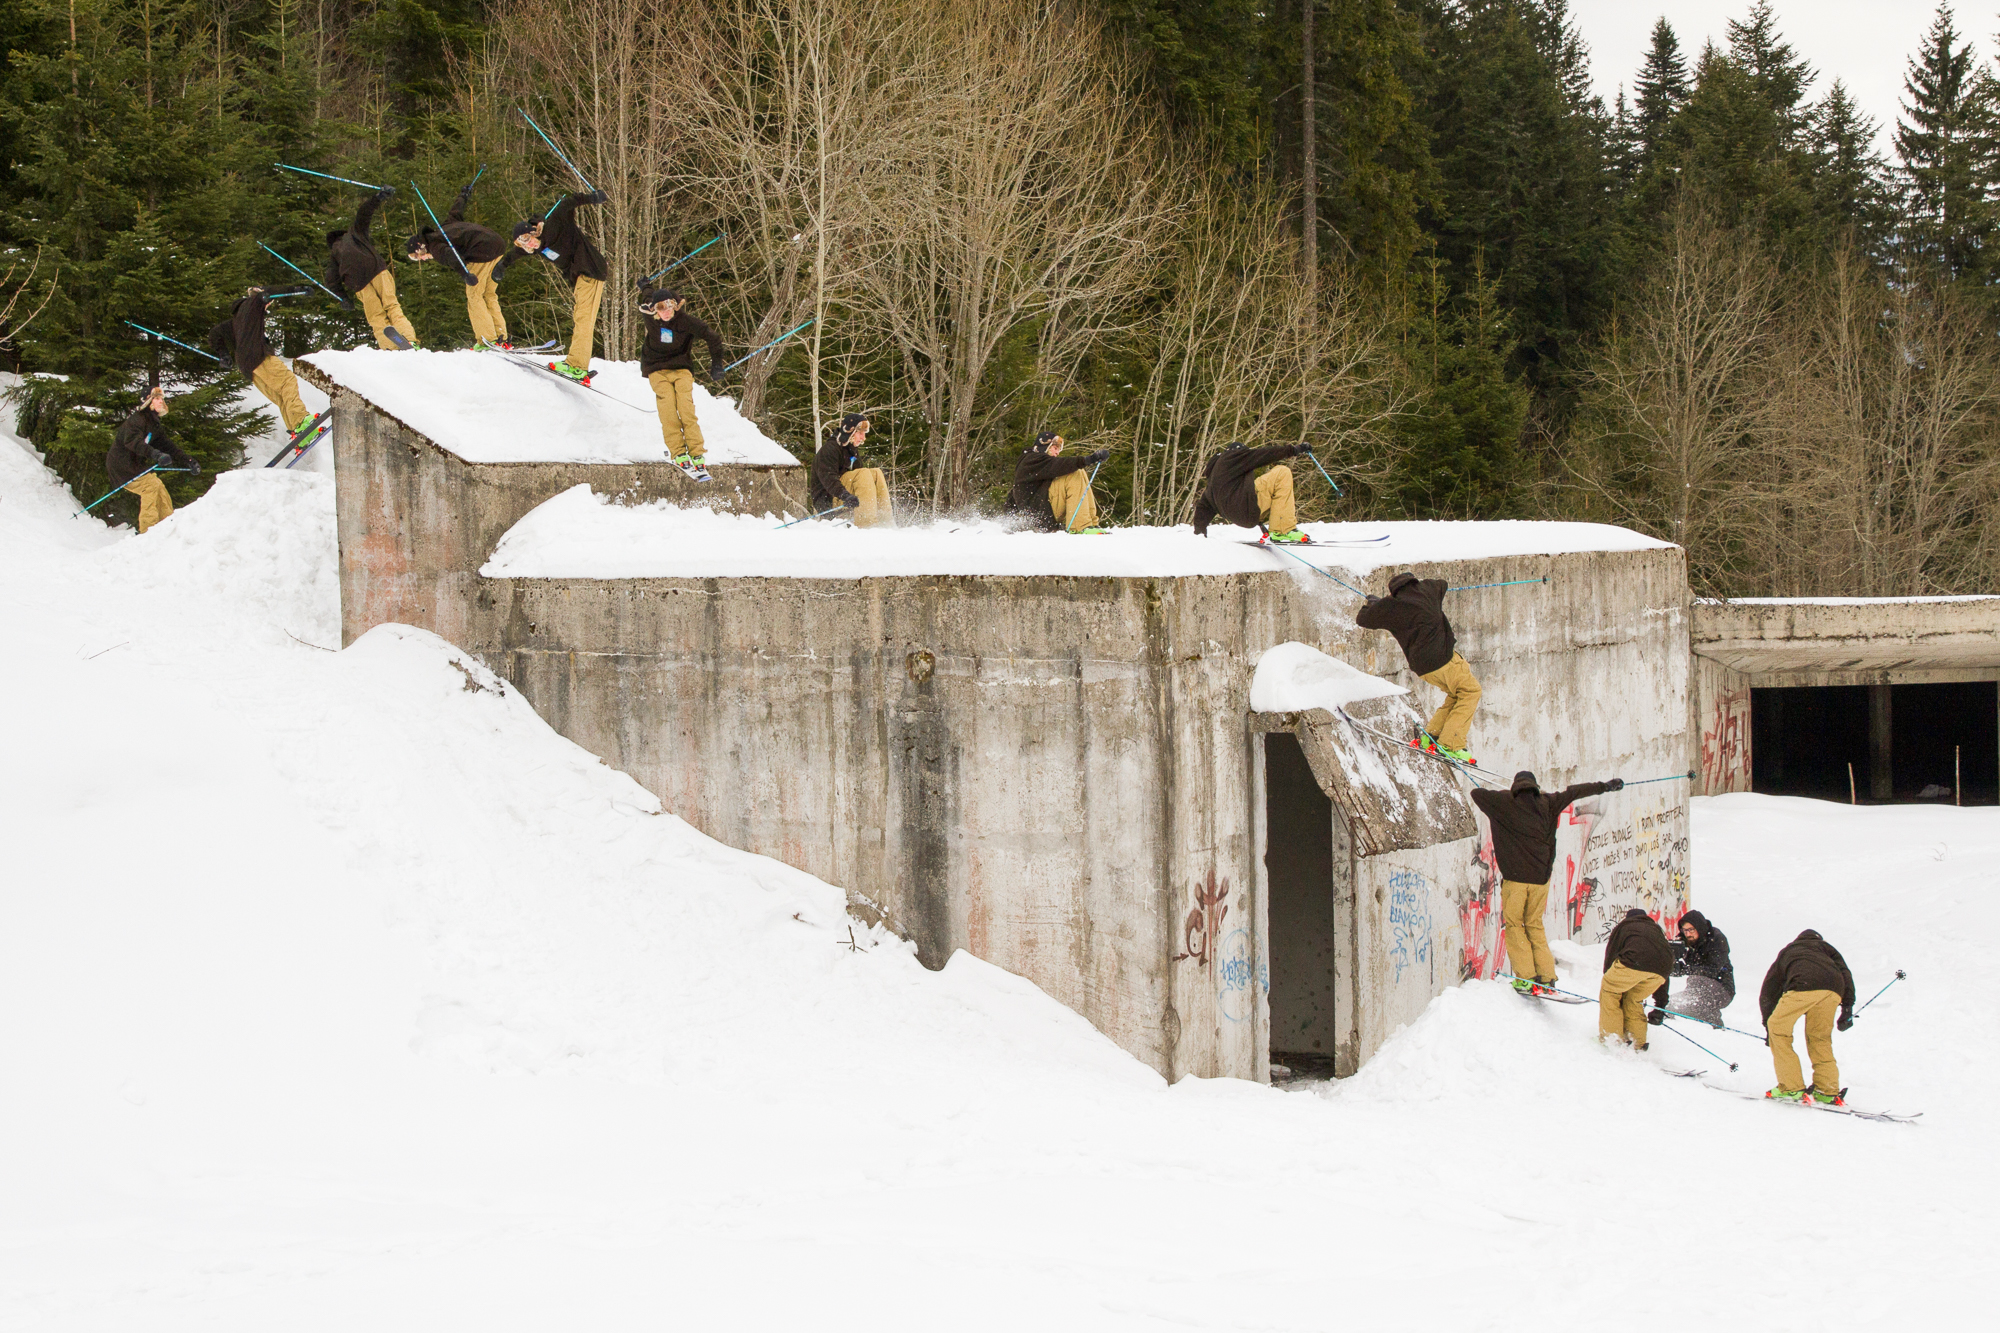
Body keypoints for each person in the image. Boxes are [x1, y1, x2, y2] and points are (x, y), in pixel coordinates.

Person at [1469, 770, 1623, 997]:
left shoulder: (1502, 803)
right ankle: (1547, 976)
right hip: (1541, 880)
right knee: (1534, 924)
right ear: (1536, 787)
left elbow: (1476, 793)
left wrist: (1506, 795)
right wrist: (1606, 786)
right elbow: (1575, 792)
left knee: (1514, 925)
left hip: (1516, 880)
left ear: (1516, 788)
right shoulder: (1549, 802)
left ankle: (1526, 978)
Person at [1355, 572, 1483, 764]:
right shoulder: (1428, 590)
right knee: (1471, 691)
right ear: (1414, 582)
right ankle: (1451, 745)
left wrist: (1377, 605)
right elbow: (1443, 583)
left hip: (1422, 668)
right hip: (1445, 660)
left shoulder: (1392, 607)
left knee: (1457, 695)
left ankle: (1432, 737)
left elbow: (1362, 619)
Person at [496, 189, 608, 381]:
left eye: (526, 239)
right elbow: (515, 254)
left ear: (532, 232)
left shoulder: (554, 222)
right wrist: (502, 266)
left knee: (583, 319)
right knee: (581, 318)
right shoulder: (537, 246)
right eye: (522, 244)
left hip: (590, 269)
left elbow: (567, 202)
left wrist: (592, 198)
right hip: (581, 276)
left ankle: (576, 365)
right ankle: (578, 364)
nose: (527, 245)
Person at [405, 177, 511, 347]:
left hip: (483, 252)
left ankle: (487, 340)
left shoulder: (436, 247)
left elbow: (451, 256)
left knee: (474, 295)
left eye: (417, 256)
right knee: (488, 294)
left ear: (420, 247)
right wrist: (463, 196)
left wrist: (465, 274)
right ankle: (501, 337)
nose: (422, 260)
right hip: (497, 244)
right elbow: (455, 212)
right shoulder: (443, 229)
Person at [1758, 929, 1856, 1105]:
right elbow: (1845, 972)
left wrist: (1768, 1027)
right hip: (1833, 989)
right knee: (1820, 1038)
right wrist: (1847, 1007)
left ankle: (1791, 1088)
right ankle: (1826, 1091)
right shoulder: (1826, 949)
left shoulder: (1790, 950)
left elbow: (1769, 989)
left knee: (1778, 1030)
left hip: (1804, 982)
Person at [636, 287, 724, 476]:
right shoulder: (651, 319)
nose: (666, 313)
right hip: (656, 369)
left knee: (686, 408)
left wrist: (717, 364)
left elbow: (713, 338)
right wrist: (645, 285)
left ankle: (697, 452)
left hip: (681, 369)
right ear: (655, 310)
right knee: (667, 408)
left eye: (669, 307)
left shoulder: (686, 322)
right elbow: (648, 295)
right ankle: (678, 452)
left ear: (675, 306)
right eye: (661, 309)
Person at [208, 286, 315, 438]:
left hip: (247, 367)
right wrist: (300, 289)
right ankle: (301, 420)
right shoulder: (254, 304)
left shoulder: (237, 318)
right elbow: (269, 293)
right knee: (287, 381)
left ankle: (298, 432)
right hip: (259, 356)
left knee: (281, 395)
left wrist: (223, 354)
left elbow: (214, 334)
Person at [325, 186, 416, 350]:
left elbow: (331, 279)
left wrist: (343, 298)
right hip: (377, 270)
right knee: (392, 305)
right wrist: (378, 197)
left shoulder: (334, 254)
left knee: (376, 316)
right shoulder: (354, 233)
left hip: (359, 283)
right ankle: (410, 340)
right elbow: (363, 214)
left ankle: (389, 346)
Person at [104, 385, 197, 534]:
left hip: (133, 466)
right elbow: (133, 442)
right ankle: (148, 532)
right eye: (157, 398)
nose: (161, 401)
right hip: (121, 467)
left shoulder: (153, 423)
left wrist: (188, 460)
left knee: (158, 485)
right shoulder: (137, 420)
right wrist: (155, 454)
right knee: (151, 487)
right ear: (148, 401)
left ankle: (167, 525)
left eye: (162, 398)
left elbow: (167, 445)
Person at [1191, 440, 1313, 543]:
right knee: (1282, 473)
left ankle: (1276, 526)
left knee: (1260, 488)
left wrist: (1199, 533)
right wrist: (1295, 449)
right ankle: (1282, 530)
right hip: (1246, 509)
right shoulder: (1232, 457)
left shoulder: (1213, 483)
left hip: (1244, 517)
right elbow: (1265, 454)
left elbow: (1203, 506)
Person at [1006, 430, 1109, 533]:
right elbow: (1060, 464)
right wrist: (1089, 459)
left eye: (1059, 449)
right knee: (1075, 474)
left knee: (1079, 471)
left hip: (1042, 512)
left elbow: (1015, 492)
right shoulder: (1032, 459)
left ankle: (1091, 523)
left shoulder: (1034, 462)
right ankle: (1080, 526)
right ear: (1044, 446)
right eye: (1055, 448)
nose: (1057, 452)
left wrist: (1009, 518)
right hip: (1040, 515)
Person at [1599, 908, 1672, 1049]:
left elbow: (1611, 956)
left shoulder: (1623, 927)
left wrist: (1610, 979)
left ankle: (1611, 1040)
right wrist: (1660, 1004)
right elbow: (1662, 967)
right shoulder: (1656, 930)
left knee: (1610, 992)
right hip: (1663, 969)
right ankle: (1638, 1043)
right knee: (1633, 999)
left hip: (1634, 960)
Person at [810, 413, 895, 527]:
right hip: (829, 500)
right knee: (863, 473)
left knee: (876, 473)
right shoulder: (830, 450)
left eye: (864, 434)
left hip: (845, 496)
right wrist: (846, 496)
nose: (863, 438)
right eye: (860, 433)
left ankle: (886, 523)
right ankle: (867, 525)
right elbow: (829, 479)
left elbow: (862, 479)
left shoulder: (851, 450)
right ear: (849, 432)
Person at [1669, 909, 1735, 1028]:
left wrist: (1684, 969)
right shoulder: (1685, 941)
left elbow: (1712, 970)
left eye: (1691, 930)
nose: (1688, 934)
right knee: (1670, 1005)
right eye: (1685, 930)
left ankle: (1715, 1028)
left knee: (1697, 1002)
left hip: (1722, 988)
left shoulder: (1716, 940)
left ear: (1699, 928)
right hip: (1694, 990)